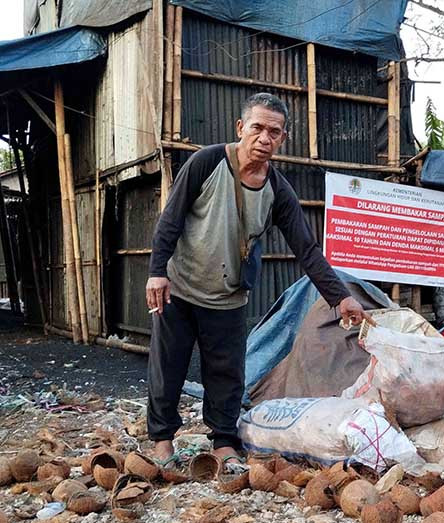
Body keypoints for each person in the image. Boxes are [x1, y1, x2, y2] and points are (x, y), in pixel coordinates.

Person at [145, 92, 369, 462]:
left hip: (229, 296)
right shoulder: (206, 163)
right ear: (241, 128)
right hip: (181, 288)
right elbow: (171, 219)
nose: (265, 138)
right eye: (258, 128)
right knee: (168, 367)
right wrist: (156, 273)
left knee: (227, 373)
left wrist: (340, 297)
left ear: (283, 138)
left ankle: (222, 443)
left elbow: (306, 249)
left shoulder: (278, 189)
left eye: (275, 132)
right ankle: (163, 442)